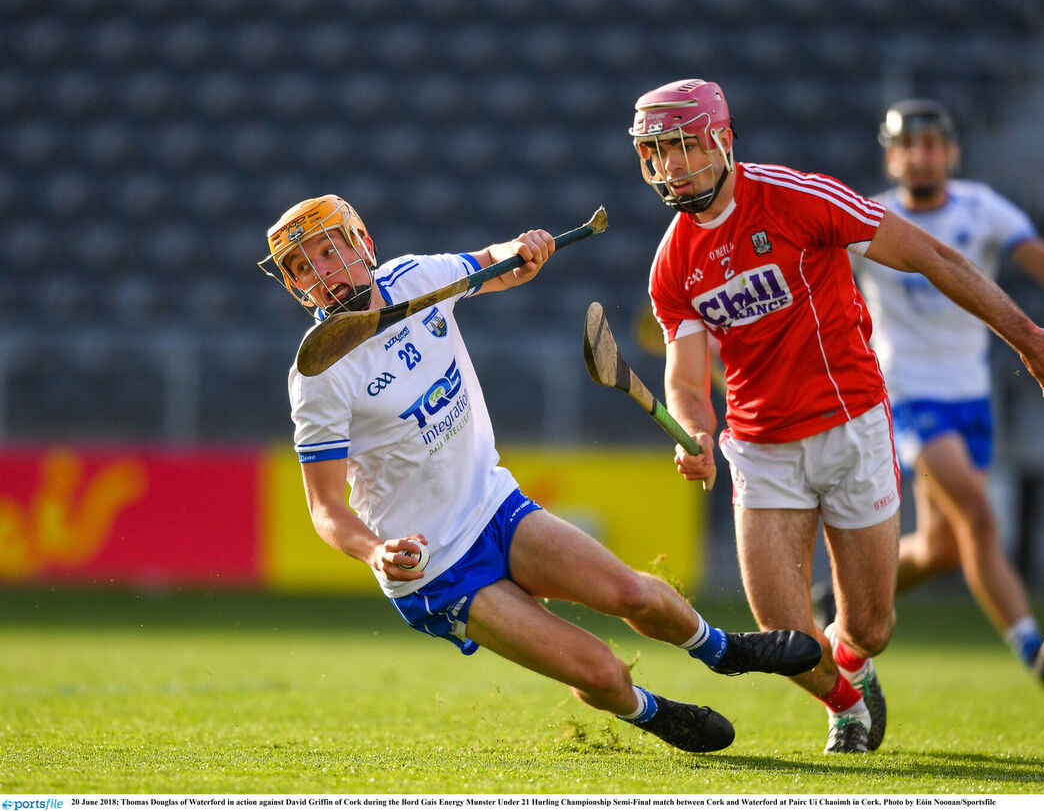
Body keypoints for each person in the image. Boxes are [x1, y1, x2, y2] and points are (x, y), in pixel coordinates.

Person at [628, 80, 1044, 754]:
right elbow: (684, 377)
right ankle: (846, 706)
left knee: (870, 628)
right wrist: (696, 431)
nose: (672, 166)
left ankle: (856, 666)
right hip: (761, 447)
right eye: (657, 152)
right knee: (786, 631)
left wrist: (1025, 335)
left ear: (723, 142)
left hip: (851, 424)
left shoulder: (800, 198)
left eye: (683, 147)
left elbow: (933, 257)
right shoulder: (673, 264)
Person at [257, 194, 823, 754]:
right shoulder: (319, 373)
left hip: (495, 508)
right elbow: (324, 508)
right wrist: (377, 552)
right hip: (439, 570)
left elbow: (492, 266)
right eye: (304, 268)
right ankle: (651, 712)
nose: (322, 274)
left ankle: (724, 651)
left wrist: (522, 249)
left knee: (631, 593)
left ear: (363, 243)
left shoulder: (414, 278)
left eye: (328, 252)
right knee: (601, 672)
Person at [830, 99, 1044, 691]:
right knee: (979, 514)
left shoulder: (982, 208)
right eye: (910, 145)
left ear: (950, 152)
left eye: (933, 144)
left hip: (972, 397)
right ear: (893, 154)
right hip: (905, 395)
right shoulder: (868, 217)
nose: (922, 156)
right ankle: (1031, 646)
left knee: (941, 549)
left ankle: (844, 595)